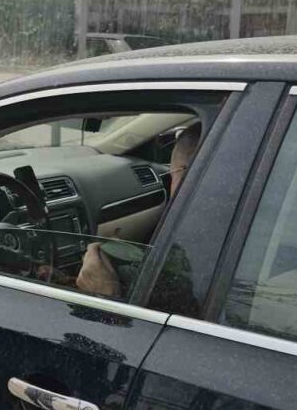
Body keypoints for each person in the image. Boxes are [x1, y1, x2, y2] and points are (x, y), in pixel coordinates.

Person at [75, 122, 203, 297]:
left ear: (186, 174)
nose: (171, 182)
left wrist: (106, 295)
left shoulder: (197, 247)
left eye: (171, 173)